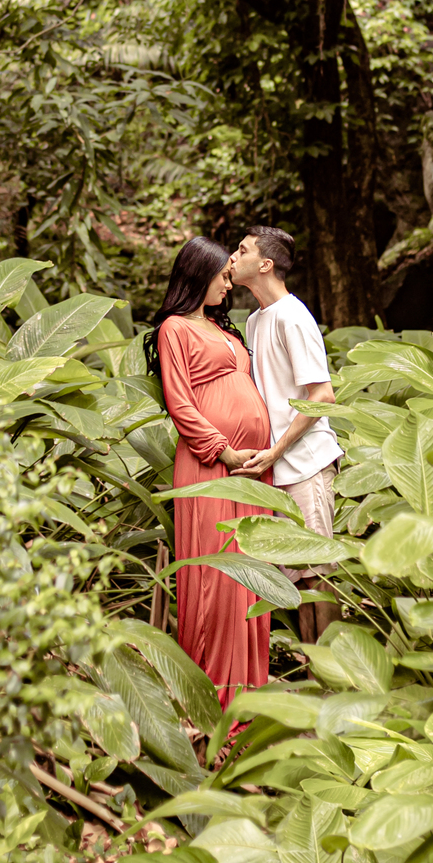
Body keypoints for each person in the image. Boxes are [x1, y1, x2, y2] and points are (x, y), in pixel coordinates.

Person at [145, 236, 273, 711]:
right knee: (217, 581)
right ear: (199, 274)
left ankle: (249, 693)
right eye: (222, 275)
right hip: (209, 466)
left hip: (252, 469)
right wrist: (224, 450)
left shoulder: (228, 332)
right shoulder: (175, 329)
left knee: (248, 577)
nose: (228, 283)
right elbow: (181, 404)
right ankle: (210, 700)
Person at [232, 226, 344, 645]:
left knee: (319, 574)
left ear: (265, 264)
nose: (232, 256)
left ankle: (336, 679)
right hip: (278, 466)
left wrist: (275, 450)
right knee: (295, 579)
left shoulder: (294, 316)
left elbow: (323, 396)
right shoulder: (257, 318)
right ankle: (307, 666)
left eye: (241, 250)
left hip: (305, 463)